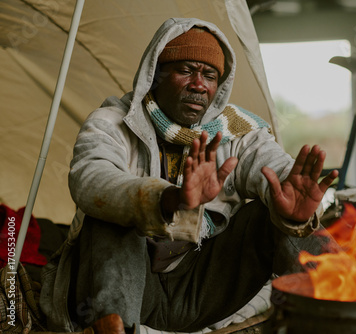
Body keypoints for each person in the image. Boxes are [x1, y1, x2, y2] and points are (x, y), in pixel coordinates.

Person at [40, 17, 337, 333]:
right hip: (126, 292)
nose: (199, 84)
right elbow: (90, 179)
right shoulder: (113, 121)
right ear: (156, 75)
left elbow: (275, 169)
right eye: (186, 70)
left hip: (201, 291)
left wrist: (293, 215)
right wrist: (169, 198)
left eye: (209, 75)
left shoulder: (237, 131)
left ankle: (345, 309)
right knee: (110, 215)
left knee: (275, 211)